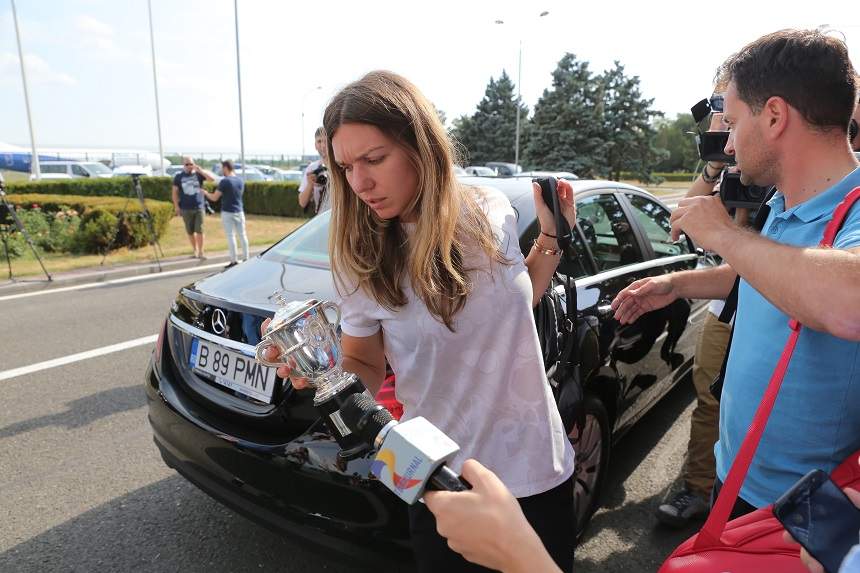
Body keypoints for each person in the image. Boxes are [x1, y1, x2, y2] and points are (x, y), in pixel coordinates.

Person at [425, 28, 860, 571]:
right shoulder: (786, 204)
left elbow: (848, 300)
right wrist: (676, 285)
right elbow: (772, 279)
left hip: (807, 506)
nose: (726, 142)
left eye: (735, 118)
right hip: (740, 476)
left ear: (774, 116)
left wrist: (725, 234)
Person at [263, 70, 576, 572]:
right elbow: (363, 362)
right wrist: (324, 378)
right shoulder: (359, 256)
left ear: (420, 145)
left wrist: (552, 239)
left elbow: (514, 302)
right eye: (344, 166)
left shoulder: (492, 210)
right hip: (439, 484)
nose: (359, 182)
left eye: (374, 159)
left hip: (539, 466)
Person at [656, 112, 751, 527]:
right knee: (710, 400)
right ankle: (699, 487)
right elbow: (679, 222)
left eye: (732, 121)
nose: (727, 138)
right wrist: (715, 166)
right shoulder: (735, 168)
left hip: (770, 307)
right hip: (724, 306)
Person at [203, 160, 249, 267]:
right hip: (239, 210)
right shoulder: (240, 180)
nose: (221, 170)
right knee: (242, 235)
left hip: (228, 211)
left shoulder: (225, 181)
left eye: (222, 168)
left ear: (226, 168)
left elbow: (214, 198)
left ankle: (234, 260)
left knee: (231, 236)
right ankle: (246, 258)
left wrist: (205, 193)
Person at [172, 156, 214, 259]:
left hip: (199, 207)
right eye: (187, 164)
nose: (189, 166)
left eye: (191, 164)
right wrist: (176, 206)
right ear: (183, 165)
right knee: (190, 231)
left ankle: (201, 252)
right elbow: (174, 193)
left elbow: (211, 180)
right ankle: (194, 250)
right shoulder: (178, 177)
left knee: (200, 230)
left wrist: (201, 171)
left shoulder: (199, 175)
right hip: (185, 208)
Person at [297, 127, 331, 215]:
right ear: (315, 145)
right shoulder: (312, 168)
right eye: (319, 141)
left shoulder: (341, 165)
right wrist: (310, 184)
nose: (323, 145)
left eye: (326, 141)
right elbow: (302, 203)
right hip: (321, 219)